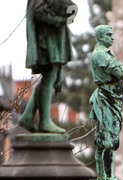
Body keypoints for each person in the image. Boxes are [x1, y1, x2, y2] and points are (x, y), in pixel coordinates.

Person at [18, 0, 77, 133]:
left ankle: (28, 115)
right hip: (47, 38)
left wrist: (70, 12)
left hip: (53, 37)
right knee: (49, 75)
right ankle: (44, 121)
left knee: (50, 76)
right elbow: (38, 10)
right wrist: (57, 20)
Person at [89, 25, 123, 180]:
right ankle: (108, 177)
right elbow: (120, 72)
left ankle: (103, 177)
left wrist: (121, 68)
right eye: (109, 35)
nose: (113, 38)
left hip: (112, 97)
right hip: (107, 97)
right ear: (100, 37)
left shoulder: (105, 54)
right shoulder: (100, 54)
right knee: (108, 139)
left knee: (106, 138)